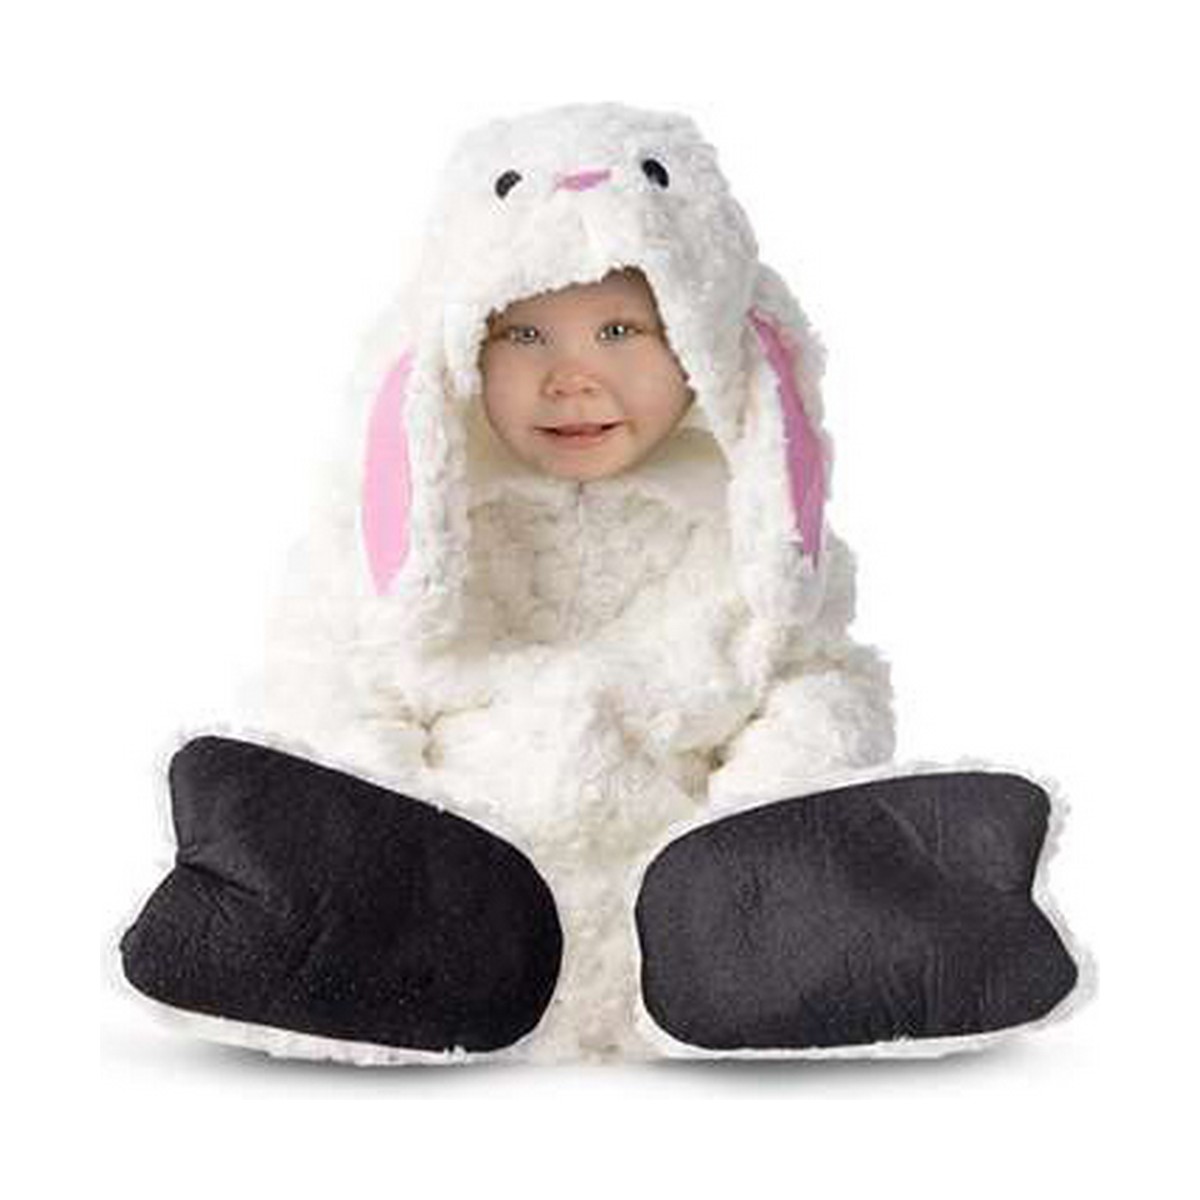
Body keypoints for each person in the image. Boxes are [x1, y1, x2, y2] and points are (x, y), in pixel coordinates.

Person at [120, 102, 1085, 1065]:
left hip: (688, 912)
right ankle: (363, 940)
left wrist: (752, 820)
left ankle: (780, 937)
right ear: (453, 350)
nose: (571, 379)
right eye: (523, 336)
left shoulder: (751, 536)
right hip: (449, 898)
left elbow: (819, 682)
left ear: (710, 344)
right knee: (326, 790)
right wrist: (394, 822)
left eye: (621, 329)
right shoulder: (401, 538)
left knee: (801, 781)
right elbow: (334, 680)